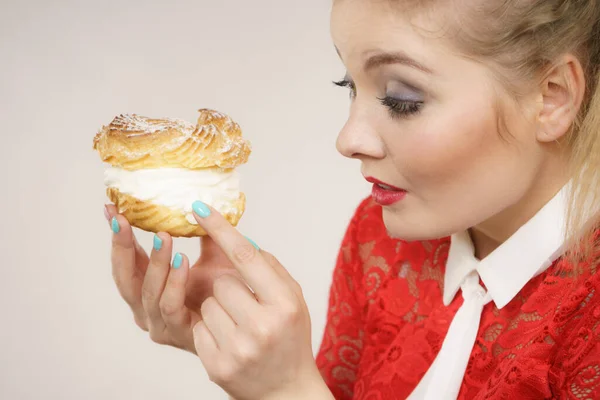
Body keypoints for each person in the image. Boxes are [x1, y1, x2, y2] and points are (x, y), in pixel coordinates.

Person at [103, 0, 600, 399]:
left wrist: (286, 392)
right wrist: (236, 344)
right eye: (350, 85)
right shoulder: (379, 238)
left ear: (552, 96)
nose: (348, 139)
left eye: (403, 98)